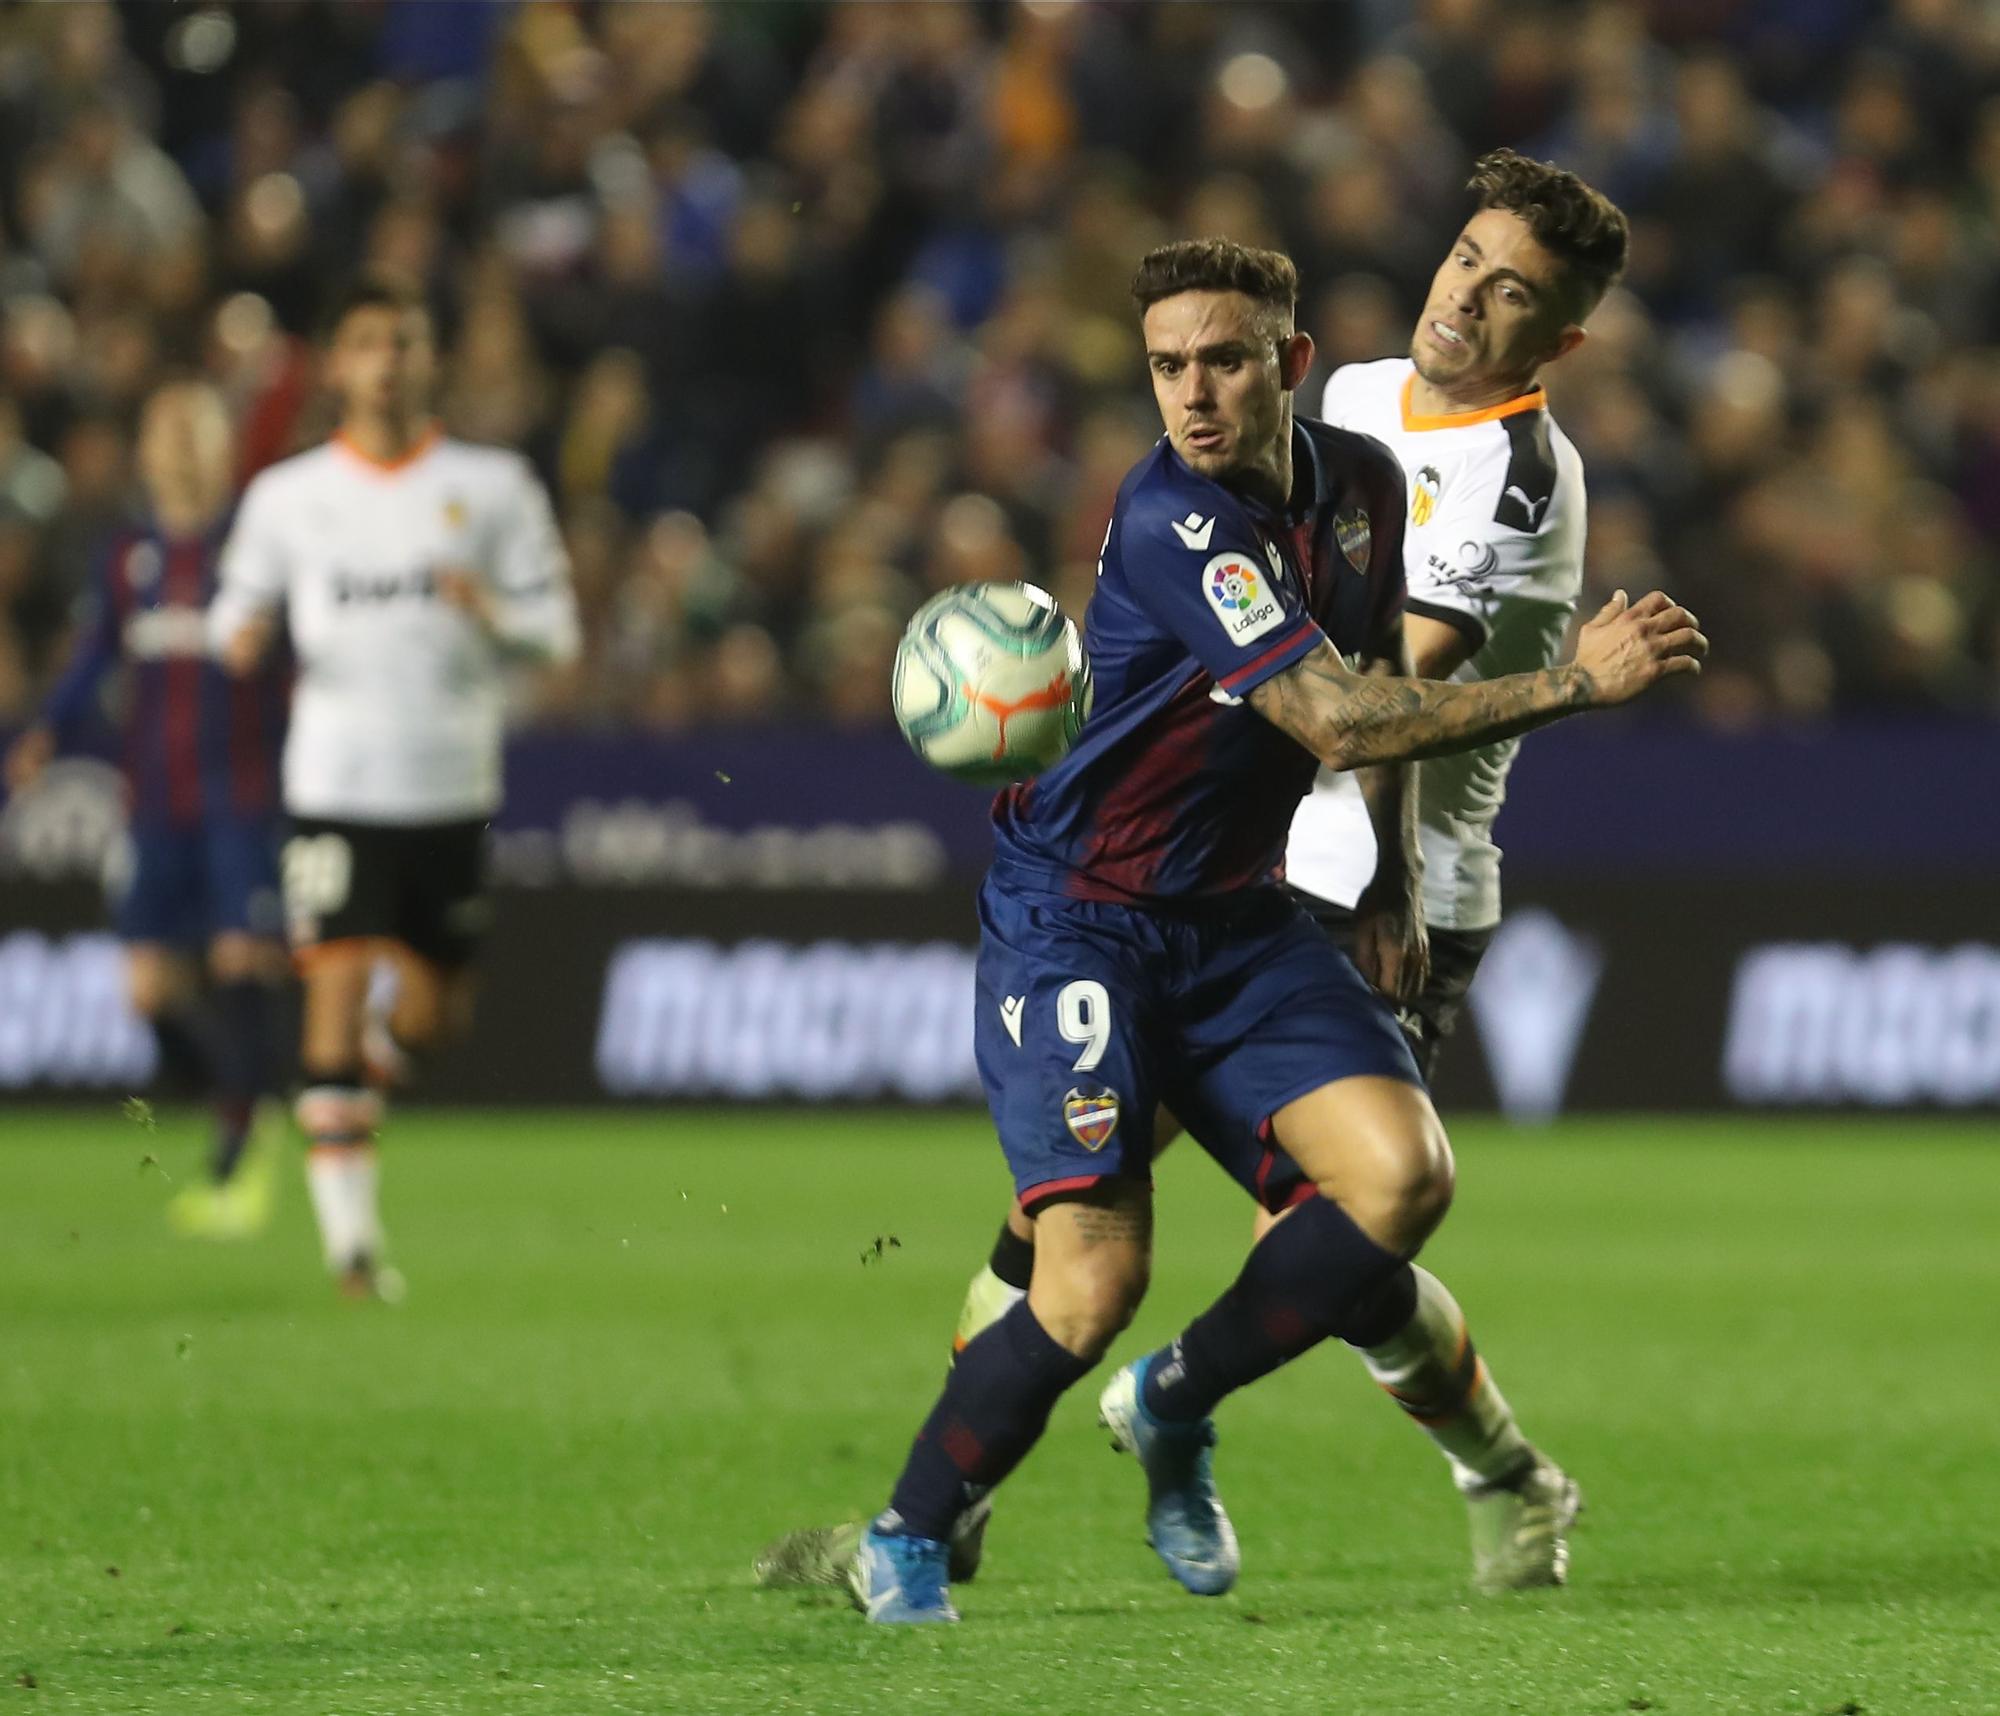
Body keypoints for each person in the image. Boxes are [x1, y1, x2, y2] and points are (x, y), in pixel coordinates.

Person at [757, 151, 1630, 1602]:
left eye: (1512, 287)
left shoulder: (1487, 475)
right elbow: (1341, 707)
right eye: (1464, 256)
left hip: (1305, 897)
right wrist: (1581, 688)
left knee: (1347, 1232)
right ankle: (936, 1513)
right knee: (1071, 1250)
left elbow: (1381, 691)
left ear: (1561, 334)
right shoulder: (1309, 427)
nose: (1467, 295)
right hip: (1131, 897)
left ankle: (1391, 1451)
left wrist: (1396, 878)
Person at [208, 273, 579, 1299]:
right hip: (334, 782)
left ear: (431, 361)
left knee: (436, 1017)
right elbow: (230, 607)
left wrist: (492, 613)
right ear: (336, 366)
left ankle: (381, 1041)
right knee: (328, 984)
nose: (387, 360)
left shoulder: (492, 488)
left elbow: (557, 631)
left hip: (452, 785)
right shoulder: (289, 498)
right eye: (367, 342)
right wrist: (237, 636)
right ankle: (353, 1257)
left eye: (405, 342)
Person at [5, 380, 290, 1239]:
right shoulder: (129, 555)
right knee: (146, 991)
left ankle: (238, 1160)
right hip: (157, 801)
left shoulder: (255, 548)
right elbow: (95, 657)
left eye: (199, 430)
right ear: (147, 452)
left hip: (239, 795)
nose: (183, 448)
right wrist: (44, 730)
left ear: (223, 446)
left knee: (242, 957)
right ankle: (248, 1106)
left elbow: (294, 667)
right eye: (168, 433)